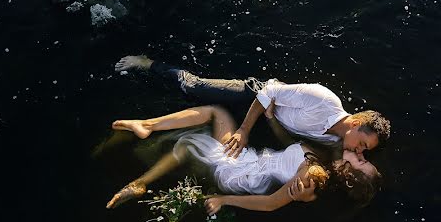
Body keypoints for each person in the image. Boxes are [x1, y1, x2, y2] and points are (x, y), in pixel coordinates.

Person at [104, 104, 382, 215]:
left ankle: (140, 182)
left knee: (189, 144)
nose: (360, 154)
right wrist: (271, 118)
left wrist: (224, 199)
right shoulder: (322, 155)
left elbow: (271, 203)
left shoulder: (313, 178)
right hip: (252, 160)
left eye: (362, 161)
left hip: (242, 175)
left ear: (349, 174)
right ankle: (147, 125)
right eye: (363, 153)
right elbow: (290, 146)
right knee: (218, 114)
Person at [114, 55, 391, 158]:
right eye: (363, 145)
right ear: (356, 123)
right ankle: (148, 63)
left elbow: (289, 141)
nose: (359, 151)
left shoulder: (333, 141)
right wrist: (245, 130)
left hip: (270, 117)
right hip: (257, 94)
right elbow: (268, 93)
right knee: (193, 88)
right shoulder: (323, 99)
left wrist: (270, 121)